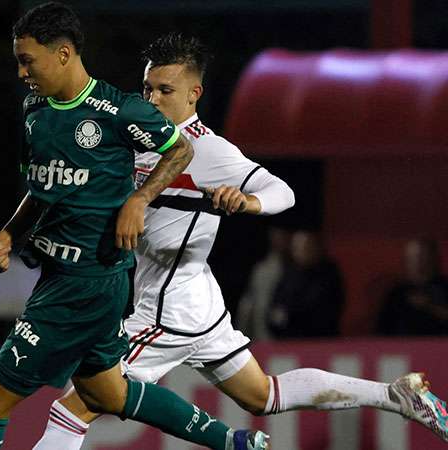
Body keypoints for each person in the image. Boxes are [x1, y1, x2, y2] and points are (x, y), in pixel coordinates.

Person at [30, 32, 448, 449]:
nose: (152, 98)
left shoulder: (208, 151)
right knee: (263, 395)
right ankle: (394, 395)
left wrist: (246, 202)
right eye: (147, 88)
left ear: (194, 94)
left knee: (75, 406)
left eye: (165, 90)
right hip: (197, 298)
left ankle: (229, 442)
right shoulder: (142, 140)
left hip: (167, 308)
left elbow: (284, 193)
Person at [0, 4, 270, 450]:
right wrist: (9, 233)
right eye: (18, 61)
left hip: (83, 287)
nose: (22, 71)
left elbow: (178, 150)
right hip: (61, 276)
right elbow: (42, 188)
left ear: (63, 54)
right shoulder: (34, 110)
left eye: (29, 60)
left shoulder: (118, 112)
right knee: (107, 392)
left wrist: (138, 199)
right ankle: (232, 442)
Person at [267, 230, 345, 338]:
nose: (301, 251)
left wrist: (290, 315)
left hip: (321, 340)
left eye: (306, 247)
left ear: (316, 247)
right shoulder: (289, 274)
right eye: (296, 248)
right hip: (288, 341)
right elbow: (276, 310)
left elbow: (319, 311)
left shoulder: (327, 274)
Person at [377, 238, 448, 335]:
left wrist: (429, 306)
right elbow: (383, 329)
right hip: (405, 347)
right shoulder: (397, 292)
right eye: (411, 258)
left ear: (433, 258)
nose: (416, 263)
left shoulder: (444, 287)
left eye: (421, 257)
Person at [237, 226, 291, 341]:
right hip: (262, 330)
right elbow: (249, 302)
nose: (279, 241)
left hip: (288, 334)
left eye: (282, 237)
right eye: (276, 237)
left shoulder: (295, 267)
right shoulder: (261, 269)